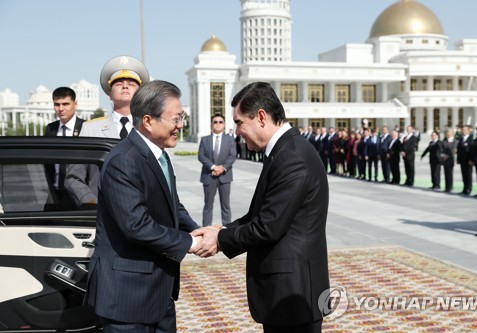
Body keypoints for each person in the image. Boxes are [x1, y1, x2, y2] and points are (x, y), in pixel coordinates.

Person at [192, 82, 330, 333]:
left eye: (239, 122)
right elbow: (260, 213)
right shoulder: (284, 150)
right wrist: (221, 228)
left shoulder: (292, 157)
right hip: (287, 291)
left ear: (262, 117)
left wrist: (220, 239)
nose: (236, 131)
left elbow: (268, 226)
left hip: (293, 293)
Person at [84, 80, 201, 331]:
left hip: (159, 292)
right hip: (128, 298)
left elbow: (172, 205)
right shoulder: (124, 160)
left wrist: (197, 230)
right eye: (176, 119)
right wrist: (190, 242)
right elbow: (136, 225)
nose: (180, 126)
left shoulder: (158, 154)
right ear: (148, 121)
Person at [65, 55, 149, 207]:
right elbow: (73, 177)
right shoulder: (90, 129)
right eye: (119, 84)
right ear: (109, 94)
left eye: (131, 84)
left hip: (144, 213)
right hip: (102, 213)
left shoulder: (150, 128)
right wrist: (89, 200)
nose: (125, 86)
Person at [44, 87, 84, 208]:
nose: (61, 109)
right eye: (57, 104)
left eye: (65, 104)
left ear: (75, 104)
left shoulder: (86, 127)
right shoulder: (50, 129)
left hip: (79, 194)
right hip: (55, 193)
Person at [198, 114, 237, 226]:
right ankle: (205, 228)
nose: (218, 124)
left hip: (225, 177)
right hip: (209, 176)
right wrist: (214, 167)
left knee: (226, 205)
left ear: (224, 124)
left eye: (221, 122)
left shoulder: (230, 140)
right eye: (215, 122)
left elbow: (233, 156)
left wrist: (223, 168)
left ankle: (226, 229)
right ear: (211, 124)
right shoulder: (204, 140)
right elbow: (201, 156)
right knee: (208, 205)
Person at [457, 125, 473, 195]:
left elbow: (472, 150)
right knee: (464, 175)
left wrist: (471, 159)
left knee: (468, 175)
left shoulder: (471, 139)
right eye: (462, 130)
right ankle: (464, 188)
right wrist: (458, 159)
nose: (463, 131)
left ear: (468, 130)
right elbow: (459, 150)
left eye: (464, 130)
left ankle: (469, 188)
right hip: (462, 160)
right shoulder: (461, 139)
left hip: (468, 160)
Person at [441, 128, 457, 193]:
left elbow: (454, 150)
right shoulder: (444, 140)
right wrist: (443, 156)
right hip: (445, 160)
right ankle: (447, 187)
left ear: (452, 133)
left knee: (450, 173)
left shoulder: (455, 141)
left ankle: (450, 186)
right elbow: (441, 150)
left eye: (449, 132)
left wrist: (448, 155)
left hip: (450, 159)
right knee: (446, 173)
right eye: (447, 132)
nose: (448, 133)